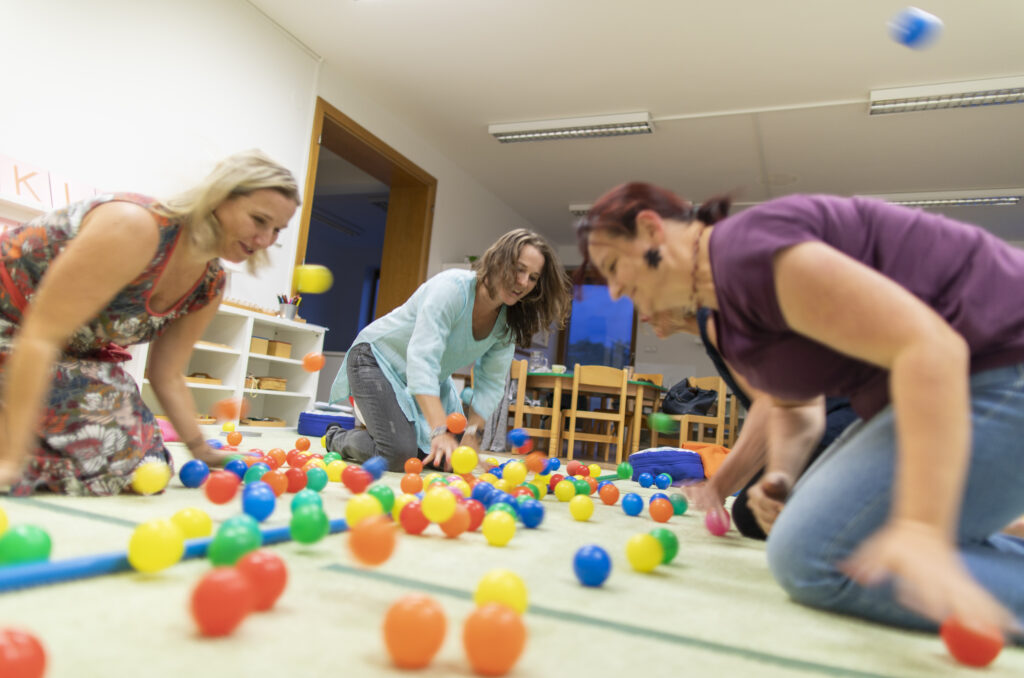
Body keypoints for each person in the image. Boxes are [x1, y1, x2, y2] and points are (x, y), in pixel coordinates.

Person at [577, 183, 1024, 641]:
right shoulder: (728, 317)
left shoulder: (748, 254)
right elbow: (796, 409)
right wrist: (781, 479)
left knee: (816, 556)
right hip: (950, 384)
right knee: (808, 543)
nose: (612, 292)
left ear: (651, 231)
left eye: (613, 266)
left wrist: (922, 526)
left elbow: (934, 348)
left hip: (1001, 361)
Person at [0, 150, 300, 495]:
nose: (265, 240)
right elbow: (39, 337)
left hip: (60, 354)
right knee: (92, 453)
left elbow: (167, 374)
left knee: (146, 463)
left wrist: (200, 449)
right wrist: (11, 459)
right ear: (220, 196)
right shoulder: (135, 226)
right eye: (259, 220)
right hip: (18, 332)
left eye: (277, 229)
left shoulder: (209, 283)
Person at [326, 229, 571, 472]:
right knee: (399, 455)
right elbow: (422, 360)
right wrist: (438, 430)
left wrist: (472, 435)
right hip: (374, 360)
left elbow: (491, 383)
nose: (523, 282)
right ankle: (336, 437)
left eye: (533, 277)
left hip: (427, 380)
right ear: (498, 260)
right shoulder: (452, 288)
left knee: (447, 460)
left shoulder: (508, 322)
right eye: (519, 269)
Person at [646, 307, 857, 540]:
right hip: (815, 424)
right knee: (753, 511)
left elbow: (769, 404)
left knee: (752, 513)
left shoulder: (717, 318)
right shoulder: (714, 323)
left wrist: (718, 486)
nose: (643, 315)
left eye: (639, 292)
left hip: (846, 419)